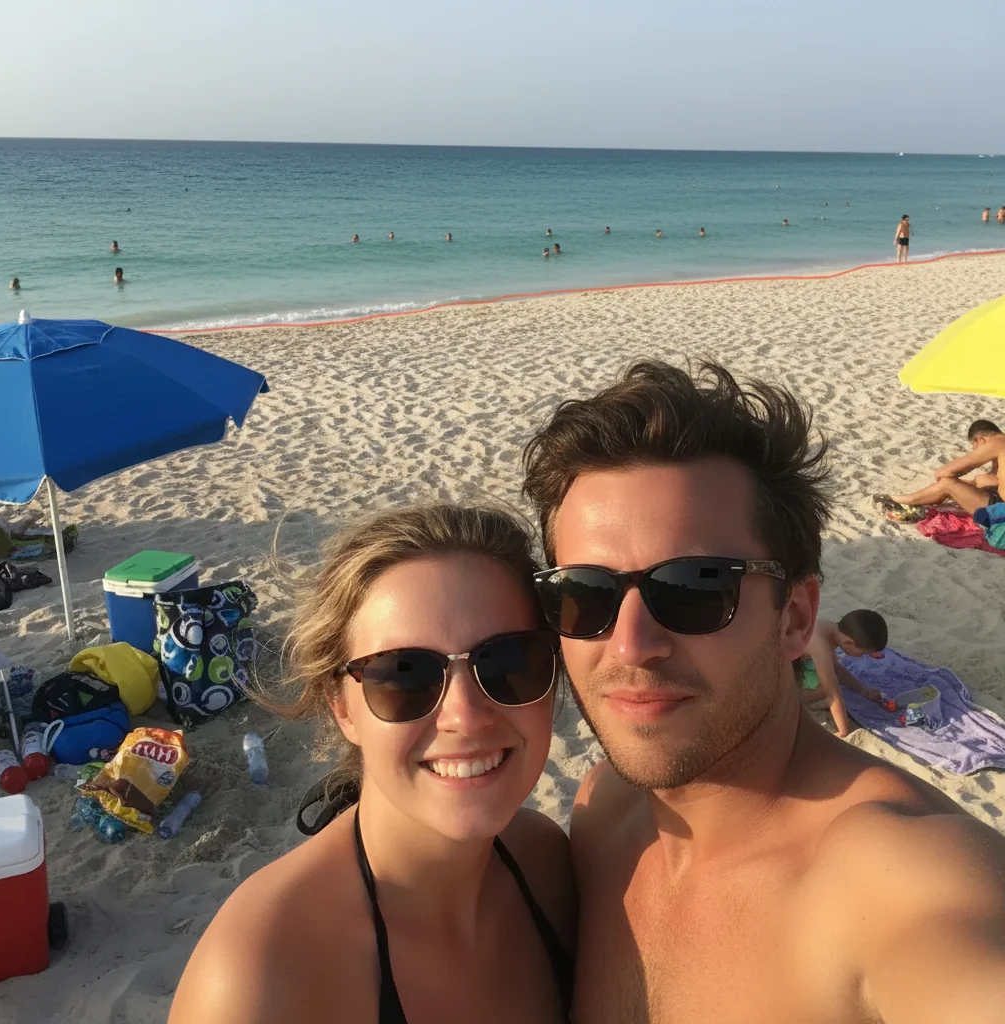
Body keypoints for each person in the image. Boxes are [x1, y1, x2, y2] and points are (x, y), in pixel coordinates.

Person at [521, 360, 1005, 1023]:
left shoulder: (896, 876)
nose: (631, 645)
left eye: (694, 588)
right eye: (584, 594)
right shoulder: (604, 809)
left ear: (797, 619)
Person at [169, 504, 574, 1024]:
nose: (465, 717)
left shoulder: (547, 864)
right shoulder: (262, 976)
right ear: (341, 708)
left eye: (511, 662)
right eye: (404, 675)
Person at [875, 418, 1005, 515]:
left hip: (1000, 511)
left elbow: (944, 472)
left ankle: (908, 500)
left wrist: (952, 483)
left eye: (975, 448)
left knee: (947, 483)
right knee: (981, 478)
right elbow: (997, 479)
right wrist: (967, 484)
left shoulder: (996, 443)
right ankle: (936, 496)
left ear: (980, 440)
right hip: (999, 501)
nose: (975, 451)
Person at [800, 610, 887, 738]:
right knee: (829, 689)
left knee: (831, 678)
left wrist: (863, 690)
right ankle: (802, 700)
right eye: (862, 653)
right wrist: (843, 731)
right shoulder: (820, 646)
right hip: (775, 672)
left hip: (796, 662)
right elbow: (832, 693)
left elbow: (837, 669)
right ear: (848, 643)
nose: (861, 657)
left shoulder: (832, 629)